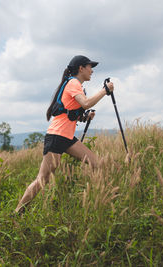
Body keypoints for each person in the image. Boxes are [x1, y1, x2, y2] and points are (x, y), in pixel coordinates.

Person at [14, 55, 114, 213]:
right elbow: (86, 103)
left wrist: (84, 117)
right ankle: (17, 212)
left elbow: (70, 113)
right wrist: (105, 90)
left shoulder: (76, 85)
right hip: (57, 136)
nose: (92, 70)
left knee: (98, 164)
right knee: (43, 179)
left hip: (66, 138)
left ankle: (100, 200)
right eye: (90, 66)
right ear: (81, 68)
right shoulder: (74, 83)